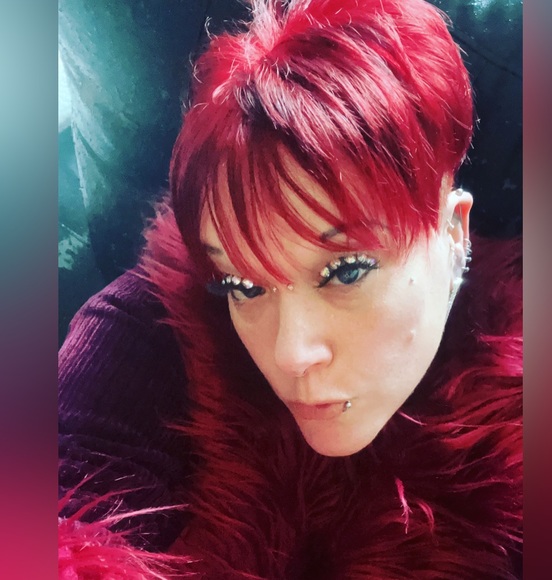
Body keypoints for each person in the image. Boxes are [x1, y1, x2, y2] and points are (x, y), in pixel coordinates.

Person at [58, 0, 522, 578]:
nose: (289, 353)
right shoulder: (153, 323)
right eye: (242, 285)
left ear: (453, 232)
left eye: (346, 271)